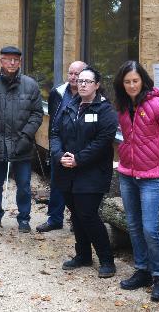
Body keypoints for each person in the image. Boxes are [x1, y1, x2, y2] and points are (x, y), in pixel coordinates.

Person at [113, 60, 159, 302]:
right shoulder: (121, 106)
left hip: (152, 176)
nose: (132, 85)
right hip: (127, 174)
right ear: (122, 84)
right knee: (133, 225)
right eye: (127, 81)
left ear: (143, 80)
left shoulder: (158, 105)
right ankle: (142, 270)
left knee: (150, 229)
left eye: (135, 81)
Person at [50, 66, 118, 278]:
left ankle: (107, 260)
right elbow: (55, 133)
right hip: (66, 171)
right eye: (80, 81)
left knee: (88, 214)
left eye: (87, 81)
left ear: (97, 85)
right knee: (77, 215)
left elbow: (102, 142)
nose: (82, 84)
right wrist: (59, 154)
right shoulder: (69, 105)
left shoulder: (105, 110)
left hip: (92, 173)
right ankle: (83, 255)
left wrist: (78, 159)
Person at [0, 45, 43, 233]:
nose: (12, 63)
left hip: (22, 143)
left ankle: (24, 218)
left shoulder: (31, 85)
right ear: (1, 61)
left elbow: (37, 114)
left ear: (20, 62)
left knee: (23, 184)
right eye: (8, 59)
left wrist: (26, 136)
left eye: (16, 59)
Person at [37, 60, 87, 233]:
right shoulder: (57, 93)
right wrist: (54, 148)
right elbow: (53, 120)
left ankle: (77, 220)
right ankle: (54, 219)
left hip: (80, 149)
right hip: (59, 147)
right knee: (56, 183)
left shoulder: (89, 95)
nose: (73, 77)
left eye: (77, 74)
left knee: (78, 187)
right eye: (71, 73)